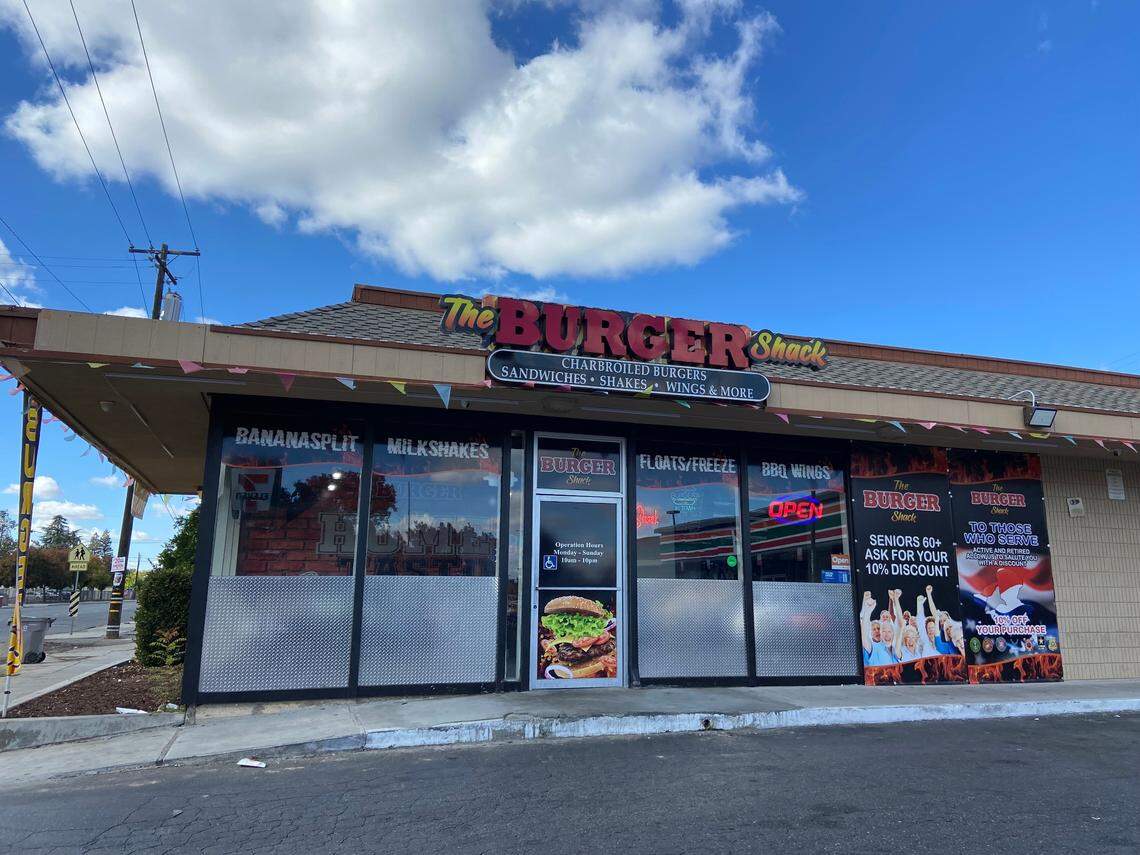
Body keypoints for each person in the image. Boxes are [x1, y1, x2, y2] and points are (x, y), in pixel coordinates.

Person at [860, 591, 898, 666]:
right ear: (870, 633)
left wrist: (894, 600)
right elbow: (864, 636)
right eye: (874, 629)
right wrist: (868, 611)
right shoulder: (872, 647)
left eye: (878, 628)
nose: (877, 631)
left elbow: (895, 620)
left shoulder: (892, 648)